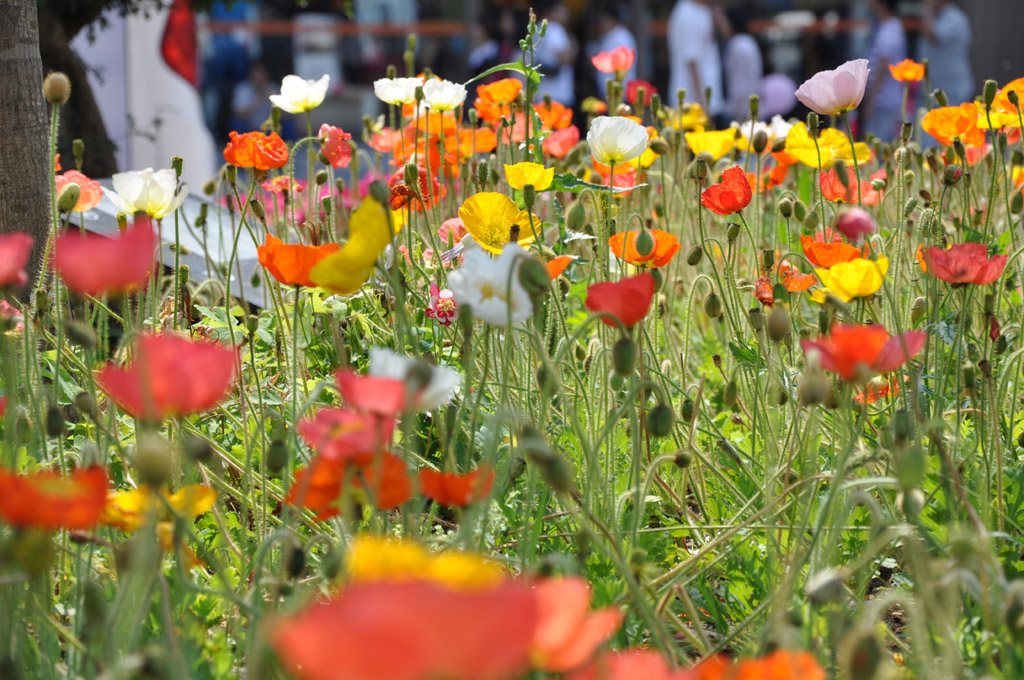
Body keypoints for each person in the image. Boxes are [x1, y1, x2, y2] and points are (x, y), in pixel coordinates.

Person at [667, 0, 724, 119]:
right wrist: (702, 107)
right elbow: (691, 61)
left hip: (702, 103)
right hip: (693, 107)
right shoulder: (688, 14)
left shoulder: (700, 9)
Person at [861, 0, 906, 141]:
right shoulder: (885, 26)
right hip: (882, 100)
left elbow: (882, 65)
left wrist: (872, 99)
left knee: (876, 144)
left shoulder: (890, 27)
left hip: (884, 101)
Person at [919, 0, 973, 106]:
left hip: (952, 91)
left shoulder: (955, 18)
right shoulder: (937, 17)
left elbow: (932, 35)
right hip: (935, 88)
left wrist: (928, 7)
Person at [717, 5, 763, 123]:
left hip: (740, 110)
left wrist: (737, 114)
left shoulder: (738, 45)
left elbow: (740, 82)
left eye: (723, 21)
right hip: (750, 106)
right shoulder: (747, 41)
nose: (720, 25)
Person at [534, 1, 577, 106]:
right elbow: (566, 58)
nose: (567, 15)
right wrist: (574, 45)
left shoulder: (537, 28)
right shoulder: (556, 29)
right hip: (558, 95)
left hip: (540, 93)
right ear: (553, 11)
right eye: (564, 11)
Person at [592, 4, 638, 95]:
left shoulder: (622, 37)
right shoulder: (607, 36)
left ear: (611, 19)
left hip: (620, 91)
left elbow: (625, 64)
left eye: (603, 19)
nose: (601, 22)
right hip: (609, 92)